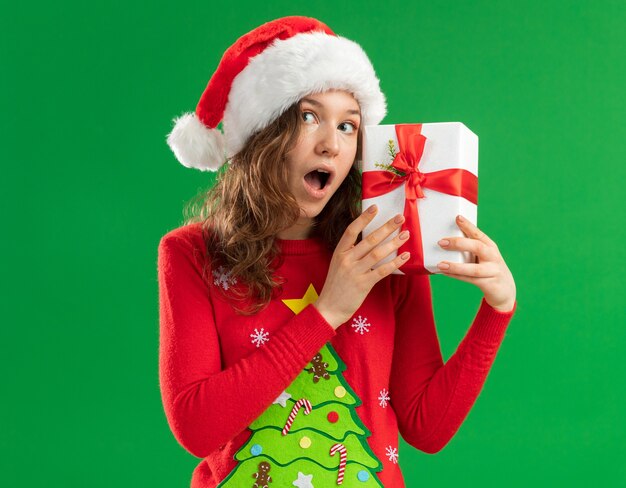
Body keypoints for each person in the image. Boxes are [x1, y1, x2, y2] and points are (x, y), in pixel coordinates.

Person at [158, 16, 517, 488]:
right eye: (309, 117)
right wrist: (328, 310)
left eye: (349, 126)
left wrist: (498, 308)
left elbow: (425, 429)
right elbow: (197, 428)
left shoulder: (387, 248)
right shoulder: (192, 254)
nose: (331, 144)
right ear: (261, 132)